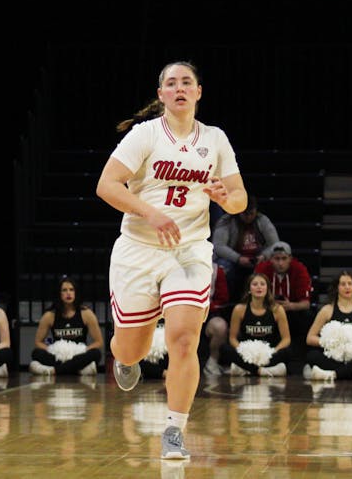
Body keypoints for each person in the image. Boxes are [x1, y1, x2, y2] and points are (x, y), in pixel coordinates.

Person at [95, 60, 247, 461]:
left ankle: (174, 430)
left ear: (198, 92)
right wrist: (150, 212)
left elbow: (239, 198)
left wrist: (223, 198)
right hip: (139, 250)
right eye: (171, 83)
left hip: (189, 249)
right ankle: (125, 359)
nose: (179, 88)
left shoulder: (214, 139)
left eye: (187, 82)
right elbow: (106, 185)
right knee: (130, 350)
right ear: (161, 94)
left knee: (183, 339)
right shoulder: (145, 135)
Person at [253, 241, 313, 371]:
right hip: (267, 311)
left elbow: (306, 303)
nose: (280, 263)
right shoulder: (262, 269)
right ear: (270, 259)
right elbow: (252, 297)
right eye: (277, 259)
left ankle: (299, 361)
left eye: (284, 259)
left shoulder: (299, 269)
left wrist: (290, 306)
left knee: (307, 317)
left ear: (290, 259)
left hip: (292, 312)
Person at [28, 275, 103, 376]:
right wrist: (52, 350)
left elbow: (99, 342)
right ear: (59, 294)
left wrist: (84, 350)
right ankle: (77, 369)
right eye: (64, 290)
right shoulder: (50, 315)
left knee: (96, 354)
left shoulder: (86, 313)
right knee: (36, 353)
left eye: (71, 290)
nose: (68, 293)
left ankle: (54, 371)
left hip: (78, 354)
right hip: (58, 355)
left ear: (76, 292)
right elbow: (38, 342)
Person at [220, 272, 291, 377]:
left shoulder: (277, 309)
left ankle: (245, 370)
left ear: (267, 288)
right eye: (255, 284)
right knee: (224, 349)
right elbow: (232, 338)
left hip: (269, 352)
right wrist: (244, 351)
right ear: (249, 289)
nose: (259, 287)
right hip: (247, 353)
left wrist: (273, 351)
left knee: (288, 352)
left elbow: (286, 339)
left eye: (262, 284)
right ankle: (262, 371)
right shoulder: (239, 309)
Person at [212, 196, 280, 300]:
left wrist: (263, 256)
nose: (248, 217)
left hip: (257, 259)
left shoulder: (263, 220)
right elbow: (218, 246)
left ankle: (265, 300)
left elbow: (275, 244)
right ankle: (226, 299)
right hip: (233, 260)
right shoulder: (227, 221)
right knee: (223, 266)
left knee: (274, 262)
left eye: (251, 213)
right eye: (245, 214)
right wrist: (238, 258)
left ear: (256, 211)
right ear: (239, 212)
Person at [201, 260, 231, 376]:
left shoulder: (216, 269)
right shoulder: (178, 266)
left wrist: (207, 305)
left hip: (208, 312)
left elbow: (223, 299)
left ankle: (212, 362)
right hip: (183, 313)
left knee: (220, 326)